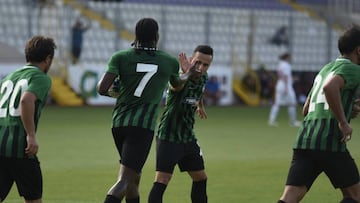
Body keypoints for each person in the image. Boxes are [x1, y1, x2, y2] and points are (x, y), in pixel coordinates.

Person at [97, 17, 198, 203]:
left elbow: (102, 88)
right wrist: (189, 74)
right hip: (142, 127)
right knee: (125, 180)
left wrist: (120, 93)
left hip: (118, 124)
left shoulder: (120, 57)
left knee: (134, 177)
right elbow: (177, 84)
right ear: (156, 36)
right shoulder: (168, 61)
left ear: (136, 35)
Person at [277, 25, 360, 203]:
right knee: (354, 195)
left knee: (290, 196)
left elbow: (306, 109)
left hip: (305, 140)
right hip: (329, 141)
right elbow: (330, 88)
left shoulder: (326, 69)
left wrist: (345, 107)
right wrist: (343, 121)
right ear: (358, 50)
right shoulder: (353, 69)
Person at [148, 45, 213, 203]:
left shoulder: (204, 77)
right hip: (169, 136)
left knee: (200, 178)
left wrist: (200, 105)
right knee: (163, 179)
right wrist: (186, 74)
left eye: (205, 65)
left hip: (187, 137)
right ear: (191, 60)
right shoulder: (179, 77)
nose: (200, 67)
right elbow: (176, 86)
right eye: (197, 62)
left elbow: (200, 90)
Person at [0, 35, 57, 203]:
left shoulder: (8, 78)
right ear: (48, 59)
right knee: (33, 199)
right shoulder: (40, 77)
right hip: (20, 148)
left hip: (1, 145)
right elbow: (26, 100)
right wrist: (31, 135)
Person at [268, 52, 301, 127]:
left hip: (279, 84)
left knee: (277, 103)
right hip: (286, 86)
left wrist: (292, 79)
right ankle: (293, 122)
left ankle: (271, 120)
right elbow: (286, 76)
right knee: (292, 103)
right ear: (287, 58)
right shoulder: (286, 65)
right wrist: (286, 87)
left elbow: (282, 76)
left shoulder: (280, 64)